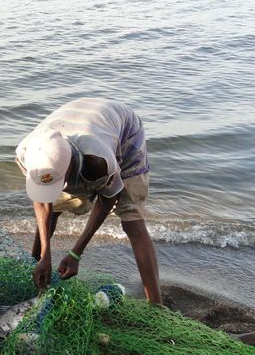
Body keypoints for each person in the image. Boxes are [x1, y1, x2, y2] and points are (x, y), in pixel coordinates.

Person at [15, 97, 162, 304]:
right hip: (76, 122)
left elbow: (108, 199)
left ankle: (156, 305)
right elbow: (42, 203)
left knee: (132, 221)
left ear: (69, 169)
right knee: (54, 209)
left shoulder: (99, 162)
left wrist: (76, 253)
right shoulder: (27, 153)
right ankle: (36, 277)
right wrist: (44, 255)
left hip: (124, 131)